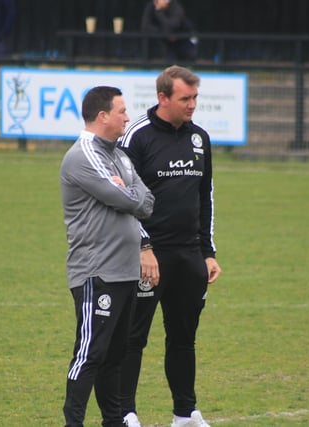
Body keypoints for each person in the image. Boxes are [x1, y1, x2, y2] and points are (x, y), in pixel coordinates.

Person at [118, 66, 222, 427]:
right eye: (185, 99)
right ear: (164, 98)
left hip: (189, 255)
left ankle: (184, 414)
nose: (192, 105)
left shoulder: (200, 138)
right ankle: (126, 413)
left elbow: (204, 196)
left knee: (183, 338)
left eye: (195, 98)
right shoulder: (137, 137)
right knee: (134, 337)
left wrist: (208, 252)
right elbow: (124, 198)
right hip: (148, 256)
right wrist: (143, 247)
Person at [60, 86, 155, 427]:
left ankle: (112, 422)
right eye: (122, 111)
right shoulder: (83, 154)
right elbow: (131, 201)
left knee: (115, 356)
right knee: (91, 354)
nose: (127, 117)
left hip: (125, 272)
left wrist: (127, 191)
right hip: (96, 273)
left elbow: (146, 199)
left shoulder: (119, 154)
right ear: (102, 116)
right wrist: (127, 193)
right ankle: (73, 423)